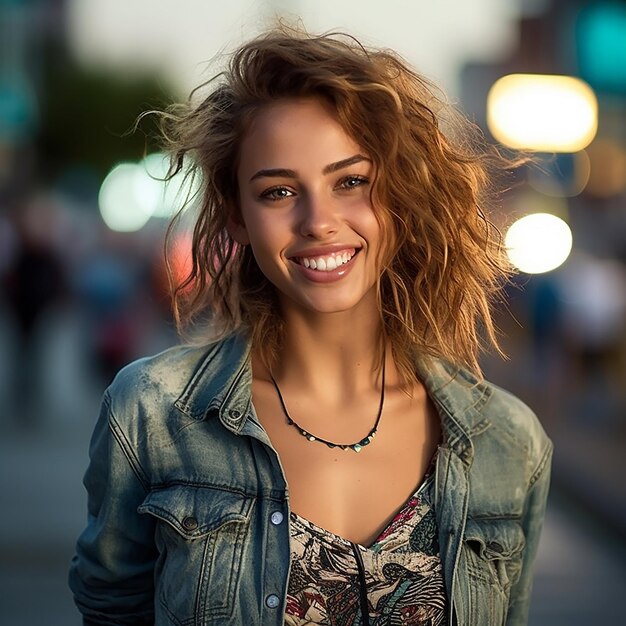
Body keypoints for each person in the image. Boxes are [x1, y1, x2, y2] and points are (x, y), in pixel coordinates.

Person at [69, 27, 552, 626]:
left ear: (398, 196)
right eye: (277, 192)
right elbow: (111, 608)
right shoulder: (151, 415)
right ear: (238, 217)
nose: (318, 221)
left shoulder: (509, 443)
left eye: (350, 182)